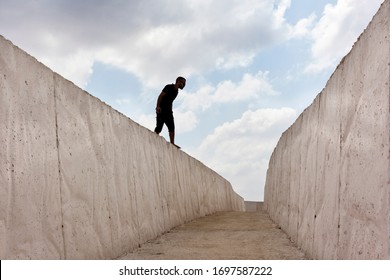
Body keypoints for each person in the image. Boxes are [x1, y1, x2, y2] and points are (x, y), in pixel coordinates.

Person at [154, 76, 186, 148]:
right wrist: (158, 106)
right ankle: (154, 137)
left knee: (171, 127)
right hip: (161, 110)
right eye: (183, 83)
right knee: (159, 127)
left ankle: (172, 143)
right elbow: (160, 96)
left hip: (169, 111)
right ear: (178, 81)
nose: (184, 85)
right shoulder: (168, 87)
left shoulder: (176, 92)